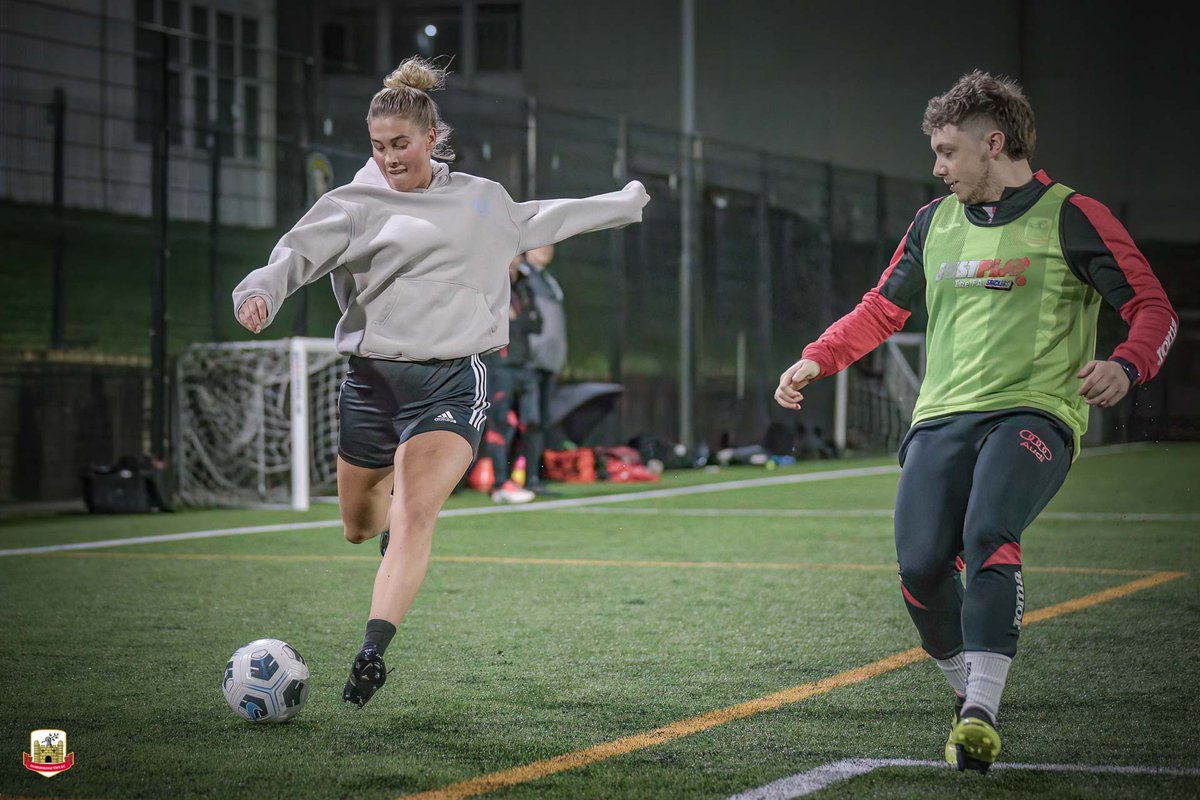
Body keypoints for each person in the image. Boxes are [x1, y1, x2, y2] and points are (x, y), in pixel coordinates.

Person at [774, 70, 1177, 773]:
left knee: (990, 530)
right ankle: (969, 693)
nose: (937, 167)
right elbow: (880, 310)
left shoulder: (1072, 214)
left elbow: (1154, 308)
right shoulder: (933, 222)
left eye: (947, 151)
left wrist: (1127, 364)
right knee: (921, 567)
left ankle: (983, 712)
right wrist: (819, 356)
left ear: (994, 144)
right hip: (941, 418)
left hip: (1034, 416)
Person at [232, 56, 649, 709]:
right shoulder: (351, 205)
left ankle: (372, 653)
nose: (390, 157)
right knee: (359, 526)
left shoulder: (480, 201)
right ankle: (389, 513)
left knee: (416, 511)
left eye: (401, 144)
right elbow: (291, 256)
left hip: (452, 381)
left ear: (432, 138)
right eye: (378, 146)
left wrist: (622, 204)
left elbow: (548, 217)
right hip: (371, 383)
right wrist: (258, 290)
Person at [479, 256, 541, 504]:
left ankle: (523, 476)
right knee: (500, 423)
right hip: (499, 365)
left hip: (524, 365)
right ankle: (499, 483)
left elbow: (537, 323)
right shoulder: (490, 285)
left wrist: (516, 322)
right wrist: (513, 322)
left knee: (531, 422)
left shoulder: (524, 286)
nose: (514, 260)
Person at [519, 244, 568, 493]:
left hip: (548, 363)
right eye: (541, 243)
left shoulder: (550, 281)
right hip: (526, 363)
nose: (547, 249)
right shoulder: (521, 277)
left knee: (539, 421)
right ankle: (509, 480)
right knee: (529, 421)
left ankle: (533, 478)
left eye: (551, 245)